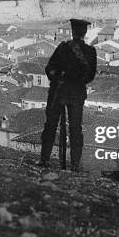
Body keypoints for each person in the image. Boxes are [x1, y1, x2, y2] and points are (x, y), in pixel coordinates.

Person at [39, 19, 97, 171]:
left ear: (72, 31)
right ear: (85, 32)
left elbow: (49, 68)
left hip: (59, 90)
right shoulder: (90, 52)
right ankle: (75, 165)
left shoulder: (63, 48)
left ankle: (44, 159)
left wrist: (59, 76)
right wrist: (76, 79)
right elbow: (90, 76)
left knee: (50, 126)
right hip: (76, 93)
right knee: (75, 129)